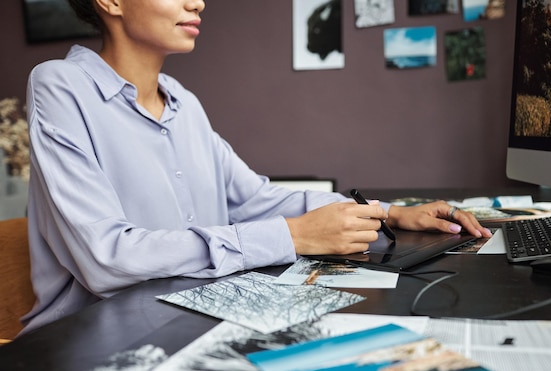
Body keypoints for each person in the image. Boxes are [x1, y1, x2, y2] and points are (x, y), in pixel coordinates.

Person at [21, 0, 491, 334]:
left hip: (193, 317)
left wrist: (389, 213)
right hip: (92, 340)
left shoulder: (183, 102)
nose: (198, 3)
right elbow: (107, 259)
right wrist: (293, 235)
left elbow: (255, 199)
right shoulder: (60, 87)